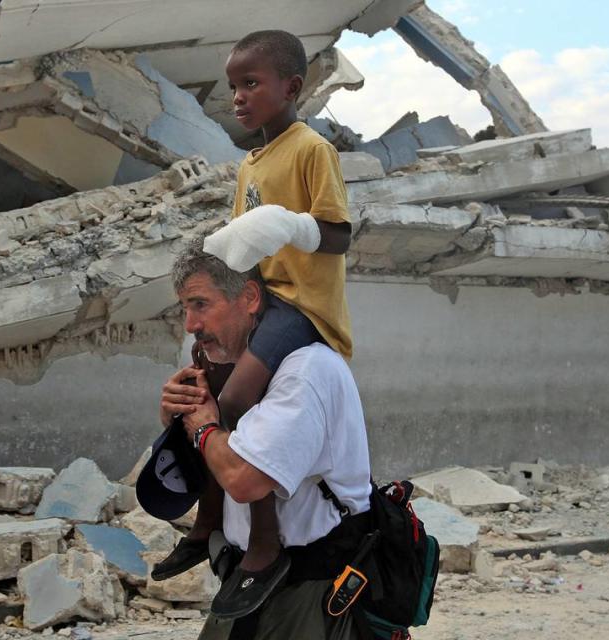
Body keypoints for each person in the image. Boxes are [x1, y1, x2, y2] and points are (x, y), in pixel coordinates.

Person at [150, 29, 354, 619]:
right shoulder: (250, 163)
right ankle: (208, 522)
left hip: (302, 308)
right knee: (203, 384)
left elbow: (340, 235)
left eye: (252, 83)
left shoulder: (312, 149)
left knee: (235, 402)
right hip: (260, 300)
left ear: (291, 87)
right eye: (234, 86)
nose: (238, 96)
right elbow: (244, 251)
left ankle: (265, 547)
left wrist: (294, 227)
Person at [160, 241, 372, 639]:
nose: (189, 323)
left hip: (313, 589)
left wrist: (204, 427)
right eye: (184, 308)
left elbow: (244, 480)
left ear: (250, 298)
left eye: (200, 305)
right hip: (248, 580)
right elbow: (214, 460)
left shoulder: (304, 372)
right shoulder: (234, 366)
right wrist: (177, 418)